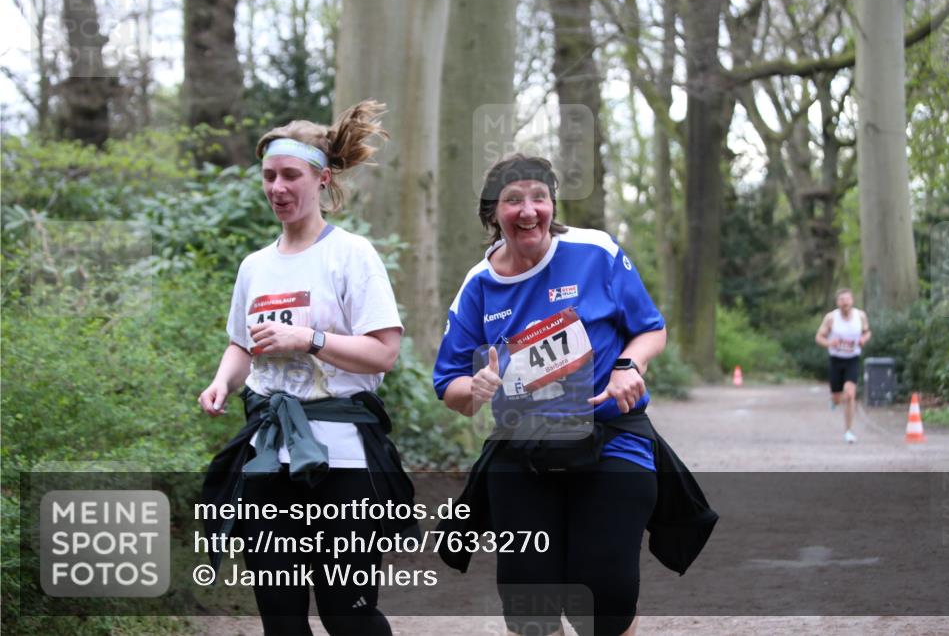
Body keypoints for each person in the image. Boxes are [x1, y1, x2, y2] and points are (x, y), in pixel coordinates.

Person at [432, 154, 717, 636]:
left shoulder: (594, 252)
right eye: (513, 200)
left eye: (539, 197)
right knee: (529, 605)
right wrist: (475, 388)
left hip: (610, 437)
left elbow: (651, 329)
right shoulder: (478, 286)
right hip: (522, 450)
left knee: (603, 593)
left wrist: (630, 365)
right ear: (492, 213)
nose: (528, 211)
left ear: (552, 204)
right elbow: (450, 386)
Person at [198, 100, 414, 636]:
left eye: (290, 175)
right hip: (268, 457)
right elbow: (241, 345)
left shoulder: (351, 255)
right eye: (269, 176)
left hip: (340, 457)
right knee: (281, 617)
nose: (277, 187)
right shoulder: (255, 266)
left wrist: (310, 339)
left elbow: (384, 352)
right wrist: (223, 380)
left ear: (322, 178)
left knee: (348, 616)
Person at [815, 288, 872, 444]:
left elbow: (867, 332)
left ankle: (848, 431)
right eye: (841, 300)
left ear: (852, 301)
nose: (845, 302)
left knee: (850, 394)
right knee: (837, 397)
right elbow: (818, 337)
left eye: (847, 299)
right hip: (836, 360)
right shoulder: (831, 318)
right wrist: (829, 342)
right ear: (837, 302)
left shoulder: (860, 316)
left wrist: (863, 340)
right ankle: (834, 400)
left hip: (852, 359)